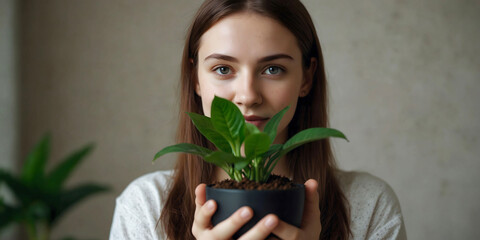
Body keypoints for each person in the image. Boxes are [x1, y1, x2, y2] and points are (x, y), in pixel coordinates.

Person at [109, 0, 407, 239]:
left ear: (307, 77)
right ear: (195, 78)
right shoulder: (146, 207)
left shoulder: (368, 204)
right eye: (223, 69)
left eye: (273, 69)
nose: (248, 95)